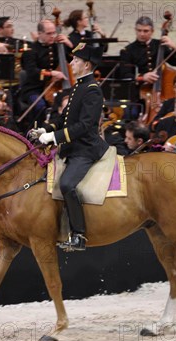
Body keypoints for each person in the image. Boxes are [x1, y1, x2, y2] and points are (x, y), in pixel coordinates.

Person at [32, 43, 107, 251]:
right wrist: (44, 131)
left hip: (85, 149)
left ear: (86, 64)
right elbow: (63, 119)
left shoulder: (92, 91)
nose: (71, 63)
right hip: (72, 148)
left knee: (66, 185)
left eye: (76, 60)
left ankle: (79, 235)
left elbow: (84, 126)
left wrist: (53, 138)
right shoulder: (78, 87)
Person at [20, 19, 70, 128]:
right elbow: (32, 71)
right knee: (40, 106)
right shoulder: (30, 50)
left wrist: (69, 44)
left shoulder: (59, 47)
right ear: (39, 33)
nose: (52, 36)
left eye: (54, 33)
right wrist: (52, 73)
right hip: (35, 88)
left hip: (56, 87)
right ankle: (35, 131)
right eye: (49, 33)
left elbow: (74, 59)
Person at [118, 16, 176, 84]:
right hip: (138, 89)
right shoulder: (127, 51)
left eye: (146, 31)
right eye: (139, 30)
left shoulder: (160, 45)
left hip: (161, 85)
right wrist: (143, 77)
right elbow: (124, 75)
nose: (142, 34)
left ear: (152, 31)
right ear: (135, 30)